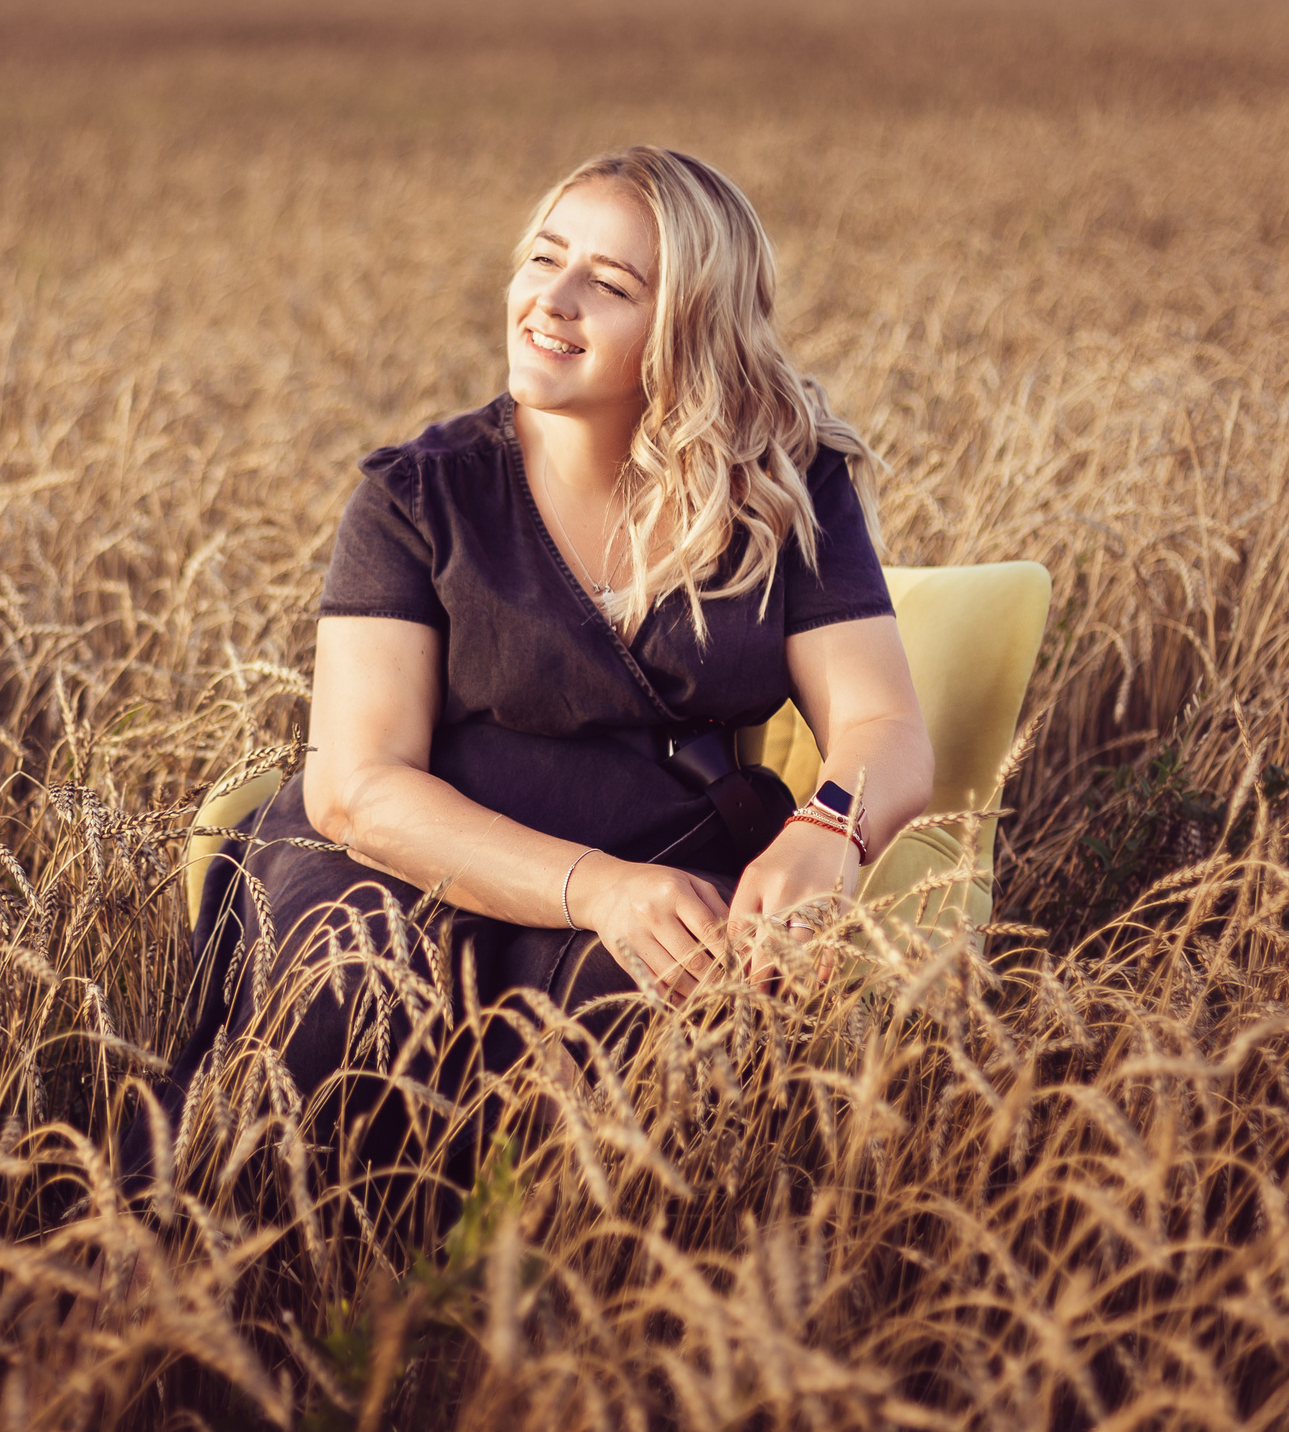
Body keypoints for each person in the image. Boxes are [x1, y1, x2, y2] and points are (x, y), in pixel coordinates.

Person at [162, 146, 932, 1205]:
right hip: (401, 857)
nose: (551, 300)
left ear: (692, 324)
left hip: (656, 846)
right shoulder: (417, 496)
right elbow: (359, 787)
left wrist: (828, 832)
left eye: (609, 285)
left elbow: (883, 721)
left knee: (675, 1033)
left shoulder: (784, 484)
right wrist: (591, 888)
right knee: (351, 998)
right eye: (543, 257)